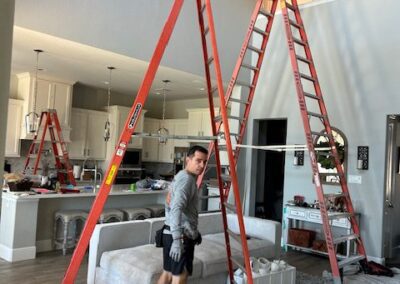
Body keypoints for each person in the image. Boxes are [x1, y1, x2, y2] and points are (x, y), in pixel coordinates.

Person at [157, 145, 208, 284]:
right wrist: (177, 240)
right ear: (188, 160)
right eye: (198, 160)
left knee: (167, 274)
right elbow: (176, 209)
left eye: (204, 162)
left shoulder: (181, 176)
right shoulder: (187, 180)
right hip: (179, 237)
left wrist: (193, 232)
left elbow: (170, 205)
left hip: (171, 232)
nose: (202, 165)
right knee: (180, 275)